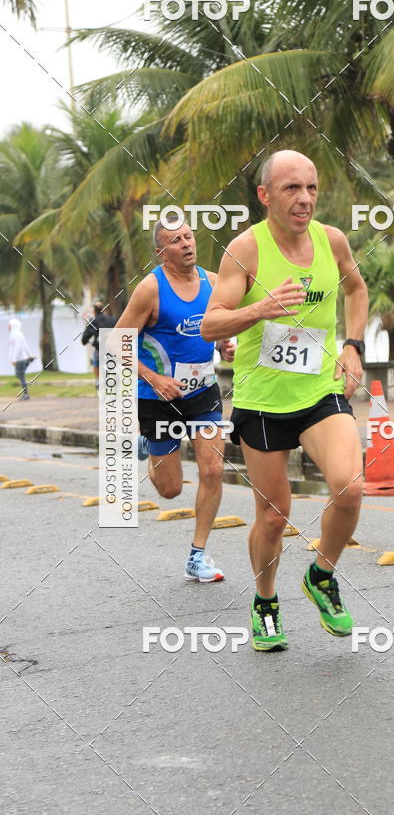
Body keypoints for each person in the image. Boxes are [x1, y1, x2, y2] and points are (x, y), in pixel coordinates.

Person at [201, 149, 368, 651]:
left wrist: (353, 347)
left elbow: (357, 291)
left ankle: (321, 576)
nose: (305, 199)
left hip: (319, 391)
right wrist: (261, 309)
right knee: (274, 517)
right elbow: (212, 322)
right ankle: (266, 602)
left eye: (312, 187)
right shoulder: (246, 250)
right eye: (293, 188)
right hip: (263, 399)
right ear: (265, 195)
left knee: (351, 487)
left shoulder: (331, 241)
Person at [114, 218, 235, 582]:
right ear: (160, 252)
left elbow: (215, 327)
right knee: (169, 490)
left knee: (213, 470)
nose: (185, 243)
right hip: (157, 397)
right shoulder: (150, 289)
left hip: (203, 394)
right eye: (175, 240)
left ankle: (198, 555)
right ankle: (149, 444)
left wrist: (223, 344)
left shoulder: (214, 282)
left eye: (188, 236)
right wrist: (155, 378)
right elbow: (116, 343)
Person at [81, 301, 117, 388]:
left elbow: (86, 336)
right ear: (103, 309)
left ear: (94, 310)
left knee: (96, 362)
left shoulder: (93, 321)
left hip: (99, 348)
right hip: (111, 349)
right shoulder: (112, 320)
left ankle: (97, 379)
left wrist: (84, 341)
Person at [8, 318, 34, 400]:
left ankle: (26, 394)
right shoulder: (18, 334)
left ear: (13, 326)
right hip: (23, 359)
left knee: (21, 376)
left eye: (9, 325)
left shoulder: (15, 335)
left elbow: (18, 347)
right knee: (19, 375)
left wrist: (14, 359)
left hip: (19, 360)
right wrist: (30, 355)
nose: (8, 327)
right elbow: (25, 345)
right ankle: (25, 388)